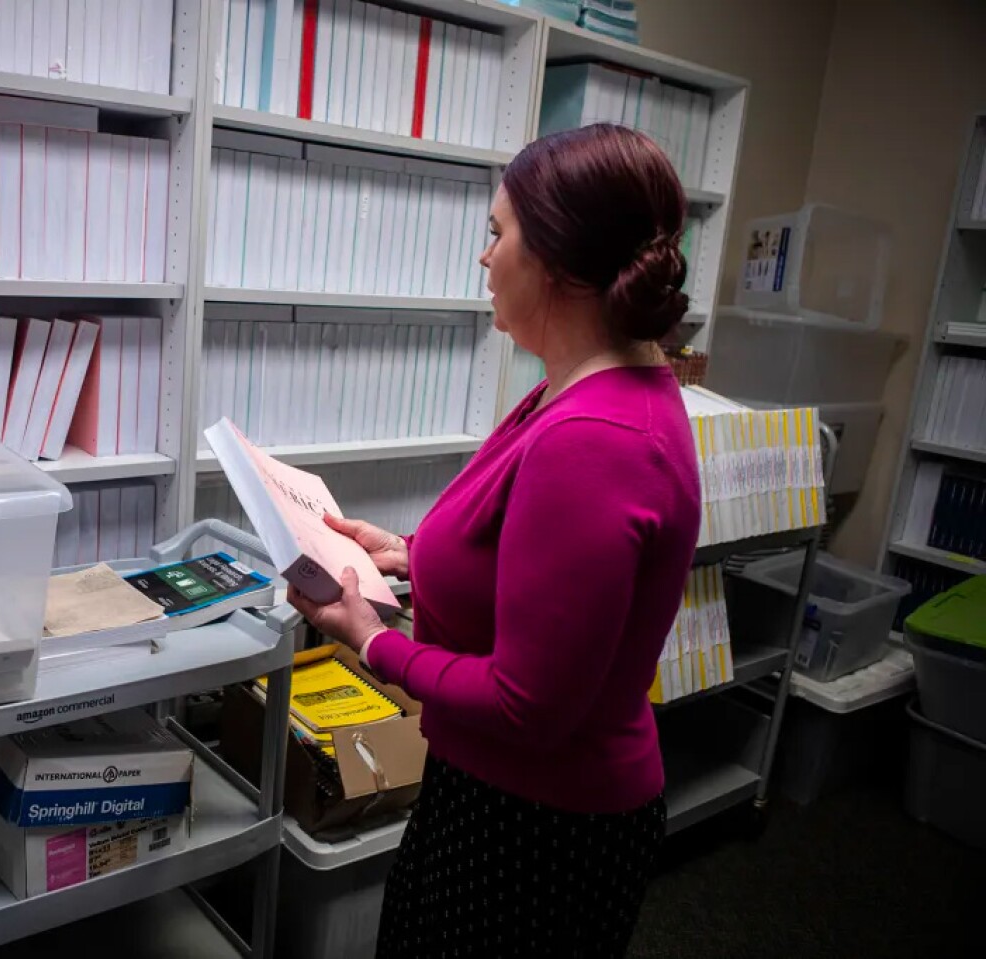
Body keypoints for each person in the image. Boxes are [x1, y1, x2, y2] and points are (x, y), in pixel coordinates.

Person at [288, 123, 703, 959]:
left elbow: (528, 703)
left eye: (497, 234)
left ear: (553, 259)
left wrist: (373, 639)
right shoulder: (581, 390)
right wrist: (411, 554)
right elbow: (527, 549)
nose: (486, 258)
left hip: (537, 827)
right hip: (507, 797)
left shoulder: (597, 437)